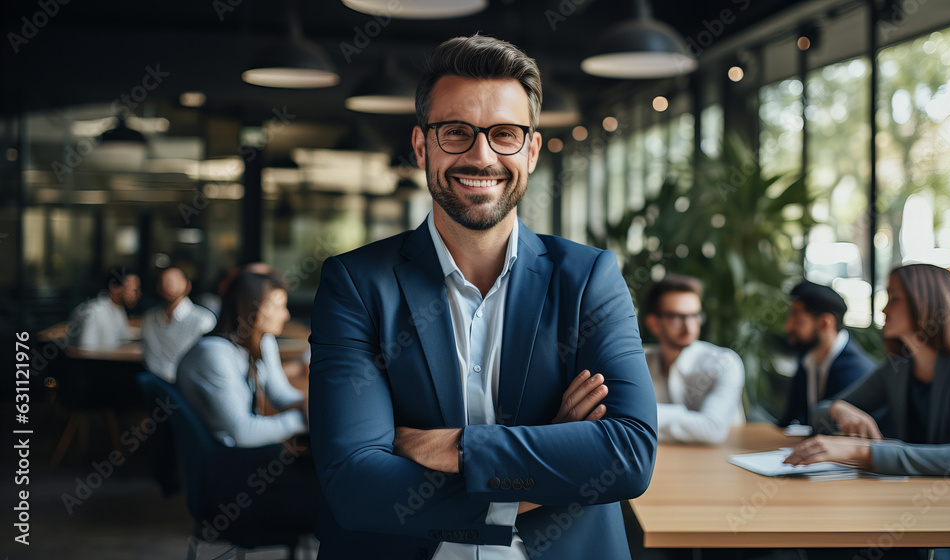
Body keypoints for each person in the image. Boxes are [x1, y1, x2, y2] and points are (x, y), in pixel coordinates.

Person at [309, 35, 657, 559]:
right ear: (423, 146)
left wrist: (457, 448)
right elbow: (356, 487)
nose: (481, 155)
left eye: (505, 134)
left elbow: (628, 455)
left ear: (532, 150)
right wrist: (548, 455)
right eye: (456, 133)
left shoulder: (589, 278)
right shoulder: (356, 283)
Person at [784, 263, 950, 477]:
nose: (884, 309)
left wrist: (861, 450)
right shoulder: (899, 367)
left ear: (926, 303)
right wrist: (838, 409)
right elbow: (818, 415)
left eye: (894, 298)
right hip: (911, 495)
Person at [176, 271, 307, 447]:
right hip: (220, 457)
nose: (286, 315)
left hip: (240, 452)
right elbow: (242, 433)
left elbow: (279, 394)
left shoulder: (264, 341)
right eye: (279, 307)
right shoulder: (214, 354)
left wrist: (310, 404)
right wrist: (306, 419)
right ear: (254, 309)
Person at [642, 275, 745, 444]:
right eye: (677, 317)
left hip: (721, 463)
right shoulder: (640, 362)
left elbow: (712, 429)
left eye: (695, 315)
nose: (689, 326)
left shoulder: (724, 363)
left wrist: (643, 416)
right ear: (653, 323)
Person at [779, 280, 876, 427]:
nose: (788, 326)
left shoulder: (856, 372)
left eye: (797, 320)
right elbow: (787, 420)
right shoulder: (807, 360)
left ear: (825, 323)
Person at [141, 267, 216, 382]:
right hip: (152, 383)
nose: (166, 285)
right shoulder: (149, 318)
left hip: (187, 385)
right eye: (162, 281)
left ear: (187, 285)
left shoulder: (203, 320)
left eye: (172, 281)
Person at [67, 267, 141, 351]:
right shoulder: (95, 312)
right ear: (115, 287)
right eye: (132, 290)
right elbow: (85, 352)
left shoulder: (118, 309)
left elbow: (122, 340)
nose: (137, 294)